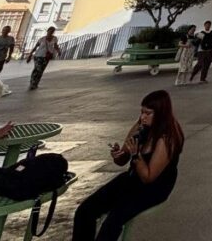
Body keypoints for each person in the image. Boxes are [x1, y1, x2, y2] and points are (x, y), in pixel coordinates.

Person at [72, 90, 184, 241]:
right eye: (141, 112)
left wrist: (136, 155)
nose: (142, 117)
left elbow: (148, 177)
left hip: (153, 188)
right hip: (132, 179)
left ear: (161, 114)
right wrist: (119, 154)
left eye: (148, 113)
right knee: (85, 210)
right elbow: (122, 160)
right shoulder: (141, 125)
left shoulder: (167, 139)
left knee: (112, 222)